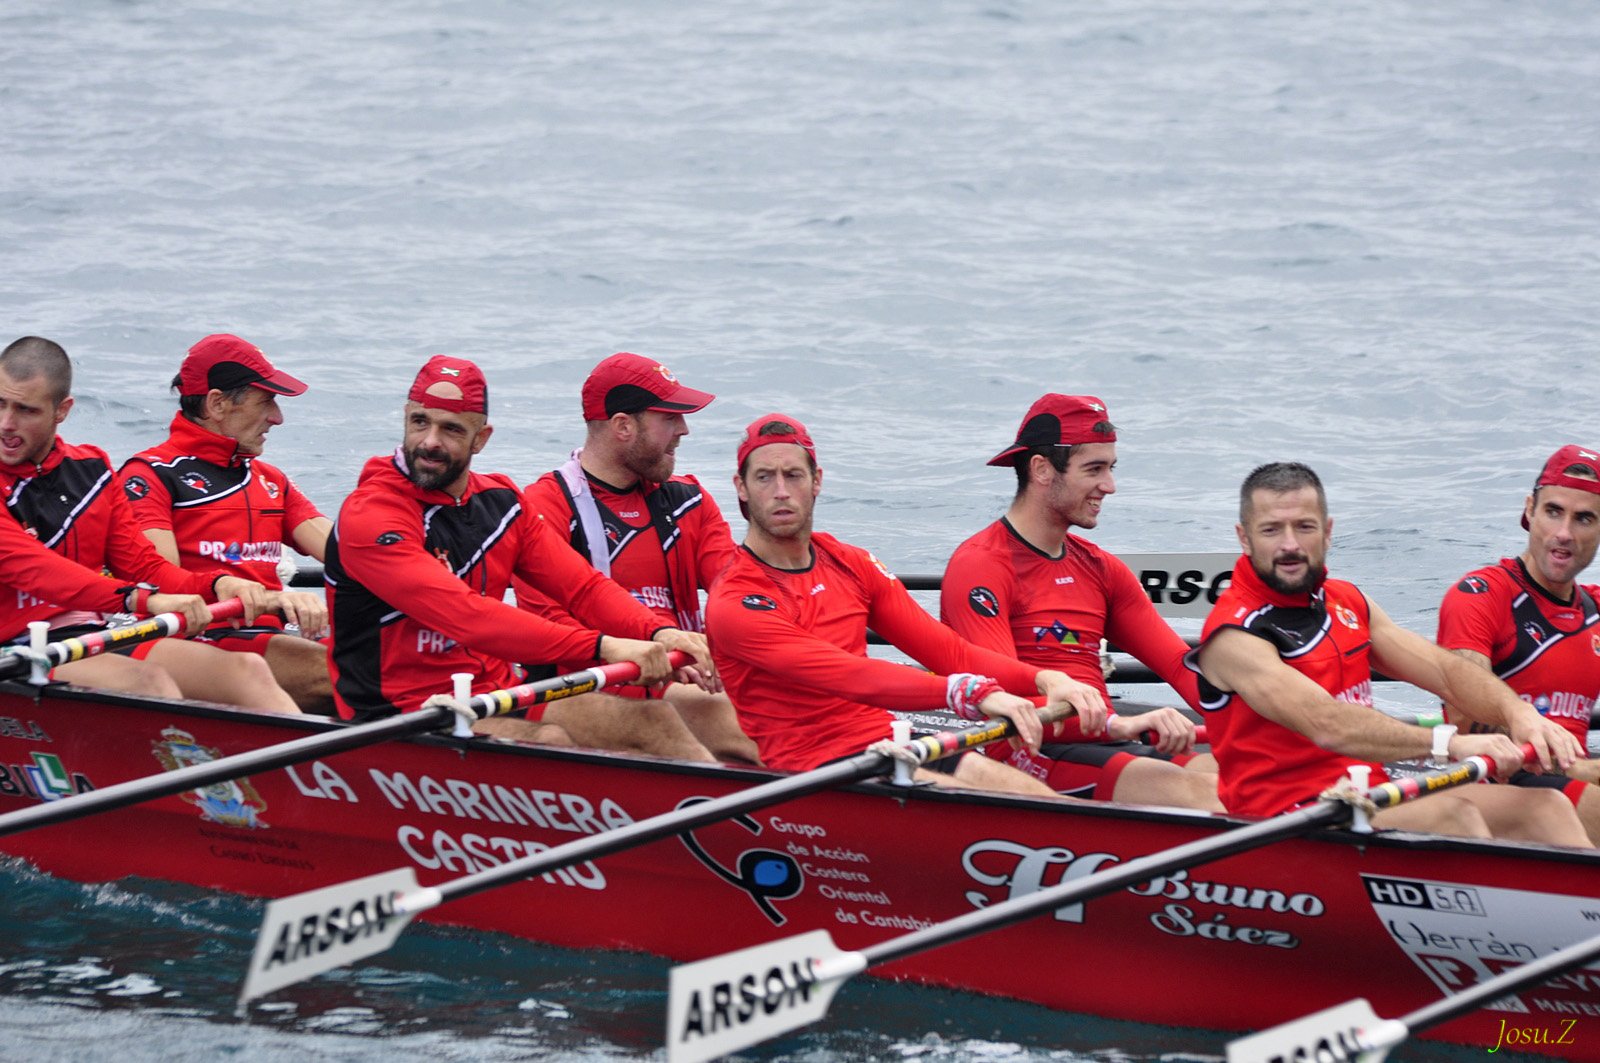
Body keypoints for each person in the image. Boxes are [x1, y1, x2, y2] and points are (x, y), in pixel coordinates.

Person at [705, 413, 1109, 797]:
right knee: (1018, 820)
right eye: (764, 477)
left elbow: (949, 650)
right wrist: (969, 691)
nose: (780, 491)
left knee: (1040, 801)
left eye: (793, 475)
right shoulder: (736, 599)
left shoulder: (852, 563)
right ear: (740, 487)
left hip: (886, 744)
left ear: (817, 482)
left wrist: (1042, 680)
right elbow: (852, 676)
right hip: (812, 769)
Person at [1191, 460, 1590, 846]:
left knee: (1543, 806)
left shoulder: (1348, 602)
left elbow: (1446, 671)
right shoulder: (1234, 635)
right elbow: (1327, 723)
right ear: (1245, 538)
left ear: (1328, 532)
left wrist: (1517, 714)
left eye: (1304, 527)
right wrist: (1447, 743)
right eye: (1272, 530)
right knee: (1454, 815)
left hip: (1367, 794)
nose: (1290, 545)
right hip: (1286, 819)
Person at [324, 355, 715, 745]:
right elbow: (469, 618)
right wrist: (605, 646)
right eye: (420, 422)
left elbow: (583, 588)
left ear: (482, 438)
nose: (430, 442)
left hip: (496, 692)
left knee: (655, 722)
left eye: (452, 430)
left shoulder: (503, 503)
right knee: (551, 741)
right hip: (399, 711)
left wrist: (659, 631)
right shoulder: (372, 514)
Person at [941, 394, 1221, 811]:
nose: (1109, 485)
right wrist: (1118, 724)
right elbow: (1005, 709)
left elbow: (1181, 666)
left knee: (1249, 775)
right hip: (1024, 750)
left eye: (1110, 468)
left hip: (1103, 737)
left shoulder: (1101, 568)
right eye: (1094, 469)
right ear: (1041, 469)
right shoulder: (980, 566)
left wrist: (1271, 708)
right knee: (1200, 793)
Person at [0, 336, 299, 712]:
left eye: (26, 410)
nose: (6, 424)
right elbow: (34, 569)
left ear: (62, 411)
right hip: (12, 645)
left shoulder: (91, 470)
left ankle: (324, 770)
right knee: (148, 683)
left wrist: (218, 583)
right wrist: (140, 598)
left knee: (246, 669)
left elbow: (145, 566)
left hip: (86, 634)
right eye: (0, 405)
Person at [516, 352, 759, 763]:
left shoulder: (689, 501)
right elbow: (550, 627)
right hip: (575, 689)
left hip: (674, 681)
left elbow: (736, 591)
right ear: (623, 426)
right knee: (659, 721)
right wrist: (655, 644)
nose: (684, 429)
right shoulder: (545, 506)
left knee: (760, 718)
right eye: (669, 418)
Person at [118, 334, 334, 712]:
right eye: (266, 401)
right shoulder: (149, 476)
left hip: (266, 636)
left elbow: (348, 551)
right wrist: (242, 590)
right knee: (345, 673)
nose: (277, 417)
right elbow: (158, 579)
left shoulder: (270, 480)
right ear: (217, 403)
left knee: (388, 656)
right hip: (199, 643)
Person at [1436, 445, 1600, 844]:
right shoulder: (1481, 595)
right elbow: (1464, 720)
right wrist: (1578, 769)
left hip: (1571, 781)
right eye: (1553, 511)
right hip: (1497, 779)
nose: (1564, 533)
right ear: (1529, 510)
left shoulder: (1594, 609)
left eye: (1584, 519)